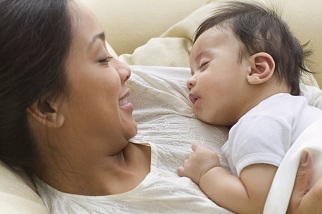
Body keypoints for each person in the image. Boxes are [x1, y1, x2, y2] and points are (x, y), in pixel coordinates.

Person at [0, 0, 321, 213]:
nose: (125, 70)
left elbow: (291, 97)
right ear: (46, 108)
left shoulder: (140, 94)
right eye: (102, 58)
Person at [177, 1, 322, 214]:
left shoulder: (259, 119)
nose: (189, 81)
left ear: (257, 70)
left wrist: (207, 173)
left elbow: (256, 202)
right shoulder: (299, 111)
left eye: (204, 65)